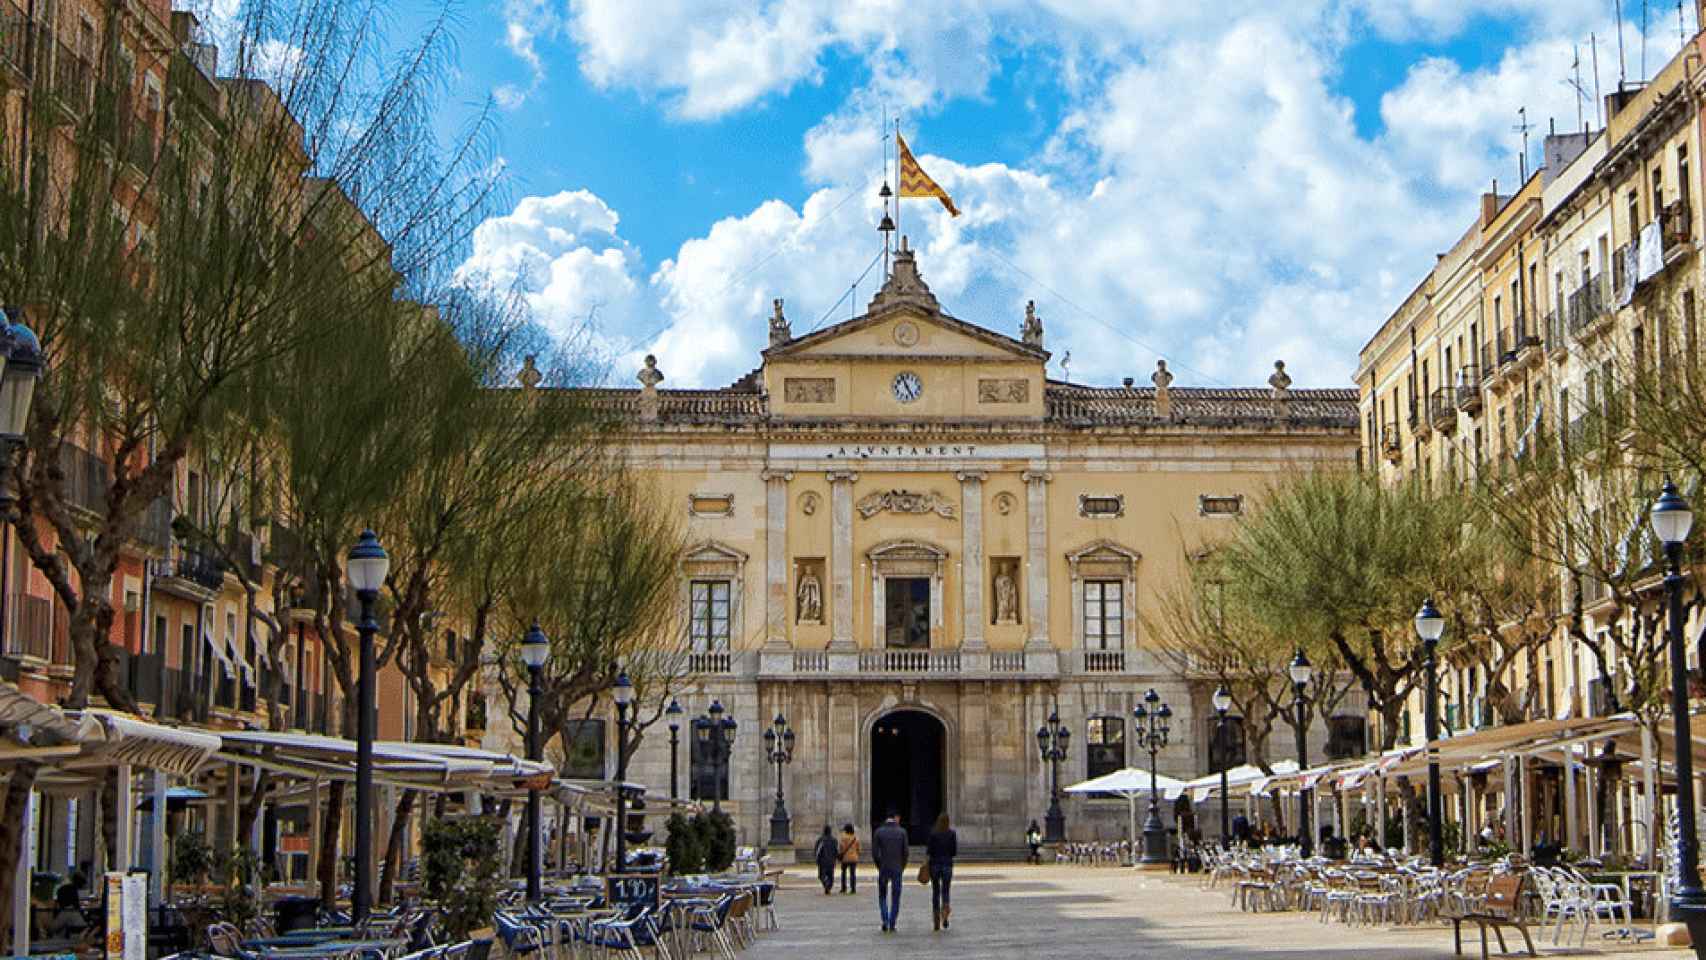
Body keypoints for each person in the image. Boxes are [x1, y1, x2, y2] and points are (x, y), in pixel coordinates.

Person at [872, 811, 909, 932]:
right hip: (897, 868)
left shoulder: (879, 832)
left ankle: (885, 920)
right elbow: (905, 853)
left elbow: (875, 853)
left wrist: (880, 865)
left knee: (882, 895)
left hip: (884, 867)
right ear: (895, 818)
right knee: (896, 896)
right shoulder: (902, 832)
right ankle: (892, 921)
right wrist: (902, 866)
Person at [927, 813, 958, 931]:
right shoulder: (951, 834)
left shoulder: (933, 833)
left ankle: (936, 920)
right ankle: (945, 913)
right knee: (946, 891)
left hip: (935, 865)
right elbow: (954, 852)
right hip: (947, 865)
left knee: (935, 892)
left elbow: (929, 851)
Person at [814, 825, 839, 894]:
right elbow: (836, 851)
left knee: (821, 875)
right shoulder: (834, 840)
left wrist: (817, 860)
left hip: (823, 861)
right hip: (831, 861)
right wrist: (837, 858)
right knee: (830, 876)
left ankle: (826, 885)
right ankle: (829, 887)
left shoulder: (821, 840)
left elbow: (818, 851)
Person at [838, 824, 861, 893]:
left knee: (843, 873)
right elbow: (858, 849)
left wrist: (841, 853)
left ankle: (843, 888)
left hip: (845, 858)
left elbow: (841, 847)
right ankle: (853, 888)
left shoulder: (843, 837)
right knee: (852, 874)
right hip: (853, 858)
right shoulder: (855, 838)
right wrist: (857, 854)